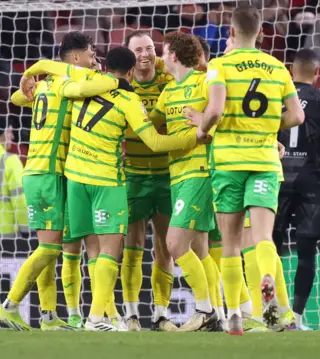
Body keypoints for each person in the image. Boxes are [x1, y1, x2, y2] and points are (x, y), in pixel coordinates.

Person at [50, 46, 206, 331]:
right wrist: (194, 137)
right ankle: (97, 318)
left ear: (105, 66)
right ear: (132, 72)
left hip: (74, 178)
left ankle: (103, 315)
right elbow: (157, 143)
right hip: (106, 181)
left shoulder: (81, 86)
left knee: (91, 252)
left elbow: (58, 78)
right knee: (111, 251)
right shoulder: (129, 99)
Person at [186, 5, 305, 335]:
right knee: (264, 238)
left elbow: (215, 109)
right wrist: (268, 125)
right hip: (265, 161)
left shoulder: (219, 66)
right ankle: (272, 306)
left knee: (230, 245)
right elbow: (296, 116)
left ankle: (236, 316)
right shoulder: (278, 67)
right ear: (261, 33)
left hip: (228, 163)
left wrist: (201, 129)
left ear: (231, 32)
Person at [0, 32, 120, 331]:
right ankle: (9, 306)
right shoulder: (68, 85)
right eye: (91, 54)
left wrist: (31, 79)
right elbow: (107, 83)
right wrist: (43, 68)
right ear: (75, 58)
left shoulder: (45, 86)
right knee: (51, 249)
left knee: (50, 248)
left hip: (37, 171)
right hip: (51, 173)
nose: (95, 60)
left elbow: (15, 97)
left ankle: (49, 316)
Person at [148, 31, 221, 332]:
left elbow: (224, 118)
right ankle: (217, 311)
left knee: (174, 244)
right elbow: (147, 127)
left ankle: (205, 311)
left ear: (174, 56)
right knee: (201, 251)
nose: (161, 58)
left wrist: (205, 118)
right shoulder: (167, 93)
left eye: (163, 53)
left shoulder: (204, 82)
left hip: (200, 172)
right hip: (177, 174)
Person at [274, 48, 320, 331]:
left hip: (275, 181)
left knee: (269, 249)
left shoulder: (276, 97)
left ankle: (272, 314)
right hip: (311, 185)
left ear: (290, 71)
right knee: (307, 253)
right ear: (318, 72)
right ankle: (298, 319)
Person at [121, 31, 176, 331]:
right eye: (139, 49)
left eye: (150, 48)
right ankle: (130, 314)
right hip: (134, 178)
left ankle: (161, 313)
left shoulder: (170, 81)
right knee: (133, 248)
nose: (145, 54)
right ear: (130, 55)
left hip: (168, 177)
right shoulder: (121, 86)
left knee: (166, 249)